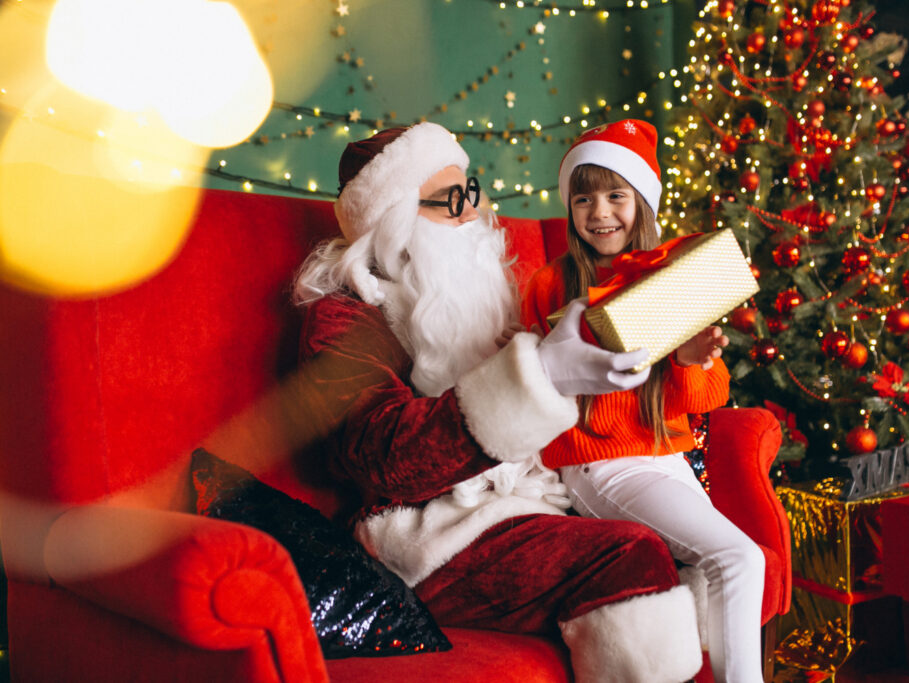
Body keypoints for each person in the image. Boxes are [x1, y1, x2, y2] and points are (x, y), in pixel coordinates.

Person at [291, 122, 704, 682]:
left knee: (693, 538)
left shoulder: (493, 294)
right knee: (629, 556)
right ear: (393, 224)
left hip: (530, 496)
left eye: (471, 192)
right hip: (428, 530)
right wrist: (537, 374)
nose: (471, 216)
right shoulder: (345, 316)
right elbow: (385, 454)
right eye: (448, 202)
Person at [521, 119, 766, 683]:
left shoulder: (669, 276)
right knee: (739, 558)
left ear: (642, 204)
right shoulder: (549, 286)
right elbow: (540, 390)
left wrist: (687, 362)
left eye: (615, 196)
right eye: (583, 198)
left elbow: (710, 395)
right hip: (600, 461)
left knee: (716, 574)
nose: (599, 212)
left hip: (666, 456)